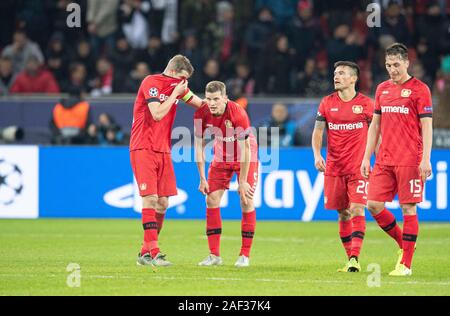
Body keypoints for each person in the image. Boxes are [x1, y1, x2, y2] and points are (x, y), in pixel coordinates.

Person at [361, 43, 433, 276]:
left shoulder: (420, 89)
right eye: (388, 65)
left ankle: (406, 265)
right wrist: (365, 157)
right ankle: (404, 243)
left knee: (408, 208)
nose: (392, 69)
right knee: (372, 205)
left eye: (396, 64)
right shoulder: (382, 89)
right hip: (384, 159)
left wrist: (426, 159)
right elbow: (374, 126)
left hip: (410, 159)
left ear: (407, 63)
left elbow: (427, 127)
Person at [130, 55, 203, 267]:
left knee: (163, 202)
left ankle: (145, 252)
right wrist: (175, 94)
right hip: (143, 147)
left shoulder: (177, 88)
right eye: (182, 78)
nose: (184, 83)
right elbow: (157, 113)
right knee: (150, 199)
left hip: (163, 150)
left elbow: (201, 105)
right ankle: (155, 253)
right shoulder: (151, 83)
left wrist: (226, 108)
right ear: (172, 72)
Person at [312, 61, 374, 272]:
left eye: (341, 73)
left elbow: (377, 133)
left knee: (357, 208)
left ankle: (355, 258)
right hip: (334, 168)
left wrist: (374, 157)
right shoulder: (327, 103)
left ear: (354, 78)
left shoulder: (366, 104)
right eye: (335, 73)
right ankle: (350, 259)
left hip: (358, 167)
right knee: (342, 213)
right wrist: (317, 154)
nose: (336, 77)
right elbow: (318, 131)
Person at [194, 81, 259, 268]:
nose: (212, 103)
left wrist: (244, 181)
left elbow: (245, 149)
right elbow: (198, 147)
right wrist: (202, 178)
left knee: (246, 199)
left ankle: (244, 255)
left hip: (245, 156)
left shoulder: (237, 113)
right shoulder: (202, 113)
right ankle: (214, 255)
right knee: (211, 200)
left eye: (216, 99)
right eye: (208, 99)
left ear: (225, 98)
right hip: (221, 156)